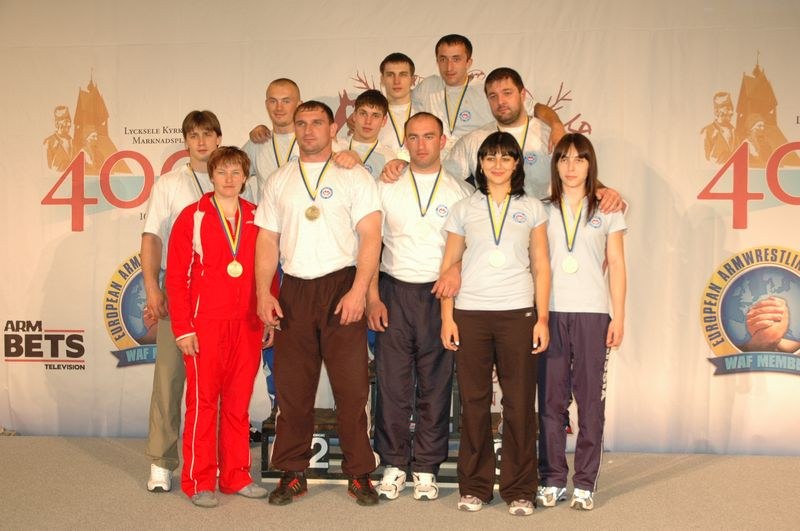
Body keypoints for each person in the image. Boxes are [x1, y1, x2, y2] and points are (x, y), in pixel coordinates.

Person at [254, 101, 382, 506]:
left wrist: (359, 290)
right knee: (293, 390)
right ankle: (292, 472)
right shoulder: (279, 179)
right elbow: (267, 240)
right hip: (294, 289)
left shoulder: (354, 174)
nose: (308, 130)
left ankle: (360, 473)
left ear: (332, 128)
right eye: (301, 123)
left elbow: (371, 236)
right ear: (294, 129)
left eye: (316, 123)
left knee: (352, 388)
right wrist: (263, 291)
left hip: (341, 285)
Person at [439, 131, 550, 516]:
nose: (497, 164)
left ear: (517, 164)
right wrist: (447, 317)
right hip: (470, 314)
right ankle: (474, 487)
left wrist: (543, 318)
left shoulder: (533, 208)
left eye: (506, 157)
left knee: (519, 404)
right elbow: (449, 266)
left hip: (518, 313)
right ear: (480, 164)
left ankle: (520, 489)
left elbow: (541, 266)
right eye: (490, 158)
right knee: (473, 403)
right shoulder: (463, 208)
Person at [367, 112, 473, 501]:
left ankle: (427, 467)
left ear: (442, 141)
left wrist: (456, 270)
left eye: (429, 136)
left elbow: (471, 247)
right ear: (405, 143)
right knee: (392, 384)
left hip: (439, 296)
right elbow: (370, 245)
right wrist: (372, 296)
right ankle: (394, 464)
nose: (421, 144)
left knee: (435, 383)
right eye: (413, 137)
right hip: (393, 290)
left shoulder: (460, 192)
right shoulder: (385, 186)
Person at [165, 146, 268, 508]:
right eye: (222, 172)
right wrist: (183, 328)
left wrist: (267, 314)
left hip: (248, 323)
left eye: (235, 172)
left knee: (239, 404)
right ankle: (198, 479)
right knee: (203, 402)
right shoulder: (191, 217)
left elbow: (267, 271)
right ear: (212, 175)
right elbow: (176, 277)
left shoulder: (257, 216)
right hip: (204, 324)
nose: (229, 179)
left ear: (245, 176)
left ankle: (236, 475)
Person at [536, 133, 627, 511]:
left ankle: (585, 482)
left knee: (591, 404)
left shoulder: (608, 209)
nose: (571, 167)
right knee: (551, 402)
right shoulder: (540, 209)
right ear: (555, 165)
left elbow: (618, 265)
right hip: (550, 313)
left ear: (591, 165)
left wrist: (618, 316)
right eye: (564, 159)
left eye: (580, 159)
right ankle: (553, 478)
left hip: (592, 314)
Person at [141, 110, 224, 493]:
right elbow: (152, 238)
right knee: (170, 378)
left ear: (219, 138)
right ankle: (162, 460)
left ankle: (212, 459)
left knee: (216, 383)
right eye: (193, 135)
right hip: (181, 292)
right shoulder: (170, 184)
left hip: (223, 298)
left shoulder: (235, 179)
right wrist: (152, 288)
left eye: (207, 134)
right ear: (185, 141)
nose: (201, 142)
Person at [411, 34, 494, 154]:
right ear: (437, 61)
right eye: (443, 59)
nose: (449, 67)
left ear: (468, 62)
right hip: (437, 166)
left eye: (456, 59)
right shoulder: (428, 87)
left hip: (474, 164)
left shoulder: (485, 92)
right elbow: (402, 106)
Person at [243, 78, 303, 197]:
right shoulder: (257, 142)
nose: (279, 108)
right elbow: (227, 174)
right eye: (273, 101)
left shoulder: (311, 141)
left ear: (299, 105)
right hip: (266, 215)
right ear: (266, 105)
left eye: (286, 101)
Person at [340, 89, 397, 179]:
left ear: (384, 121)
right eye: (363, 113)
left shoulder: (389, 158)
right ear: (354, 116)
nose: (368, 121)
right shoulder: (336, 147)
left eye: (375, 116)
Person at [377, 53, 422, 159]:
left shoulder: (426, 113)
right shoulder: (372, 116)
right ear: (382, 79)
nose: (396, 81)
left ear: (412, 80)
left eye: (403, 74)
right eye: (390, 75)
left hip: (417, 174)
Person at [700, 92, 736, 164]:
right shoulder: (706, 132)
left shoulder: (735, 131)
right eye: (727, 109)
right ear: (717, 111)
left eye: (731, 108)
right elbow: (703, 162)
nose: (731, 112)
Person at [43, 105, 74, 171]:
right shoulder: (48, 142)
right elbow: (46, 170)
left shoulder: (73, 141)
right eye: (65, 121)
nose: (69, 125)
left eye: (69, 121)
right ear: (57, 123)